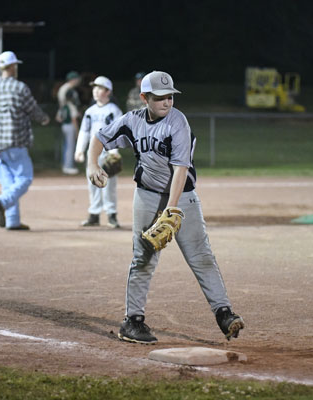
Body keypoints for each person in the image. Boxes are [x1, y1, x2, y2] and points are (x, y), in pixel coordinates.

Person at [86, 71, 244, 344]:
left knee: (201, 256)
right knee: (143, 258)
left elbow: (180, 169)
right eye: (160, 97)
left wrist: (171, 210)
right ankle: (133, 322)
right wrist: (92, 164)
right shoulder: (132, 121)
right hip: (146, 196)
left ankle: (224, 314)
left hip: (182, 197)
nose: (167, 102)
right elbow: (99, 137)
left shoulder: (177, 122)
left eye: (170, 96)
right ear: (144, 98)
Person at [0, 51, 50, 231]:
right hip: (16, 141)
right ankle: (2, 202)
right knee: (25, 178)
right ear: (12, 67)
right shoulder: (20, 88)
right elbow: (32, 109)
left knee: (9, 184)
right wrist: (44, 119)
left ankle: (12, 220)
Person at [74, 76, 123, 228]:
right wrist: (79, 150)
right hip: (93, 154)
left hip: (108, 153)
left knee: (109, 186)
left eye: (100, 88)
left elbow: (119, 132)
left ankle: (111, 214)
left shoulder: (114, 110)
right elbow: (84, 131)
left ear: (108, 92)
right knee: (93, 183)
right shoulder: (90, 111)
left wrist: (114, 151)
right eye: (94, 88)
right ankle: (94, 214)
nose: (95, 91)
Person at [56, 72, 81, 175]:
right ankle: (68, 166)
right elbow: (73, 117)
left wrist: (60, 114)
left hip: (64, 123)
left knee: (66, 145)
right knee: (70, 146)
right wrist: (78, 132)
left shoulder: (66, 104)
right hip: (70, 123)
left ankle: (65, 165)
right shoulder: (70, 103)